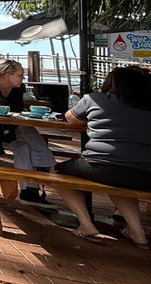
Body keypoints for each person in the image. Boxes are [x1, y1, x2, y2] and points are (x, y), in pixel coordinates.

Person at [55, 66, 151, 245]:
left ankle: (86, 225)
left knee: (57, 172)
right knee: (121, 179)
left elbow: (70, 117)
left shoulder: (95, 99)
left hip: (101, 165)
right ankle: (138, 232)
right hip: (146, 174)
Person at [0, 58, 55, 203]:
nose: (23, 78)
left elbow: (17, 110)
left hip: (6, 132)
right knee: (25, 128)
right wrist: (23, 113)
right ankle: (49, 165)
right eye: (20, 75)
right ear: (7, 75)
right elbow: (3, 105)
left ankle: (29, 191)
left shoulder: (16, 90)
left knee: (23, 147)